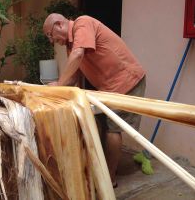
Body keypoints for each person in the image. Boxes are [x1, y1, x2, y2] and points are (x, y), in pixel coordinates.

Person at [43, 13, 146, 188]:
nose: (53, 41)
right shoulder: (71, 45)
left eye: (51, 36)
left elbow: (77, 55)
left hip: (127, 82)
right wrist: (57, 86)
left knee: (113, 129)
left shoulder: (82, 23)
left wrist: (59, 84)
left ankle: (109, 179)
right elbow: (73, 76)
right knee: (100, 125)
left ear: (59, 24)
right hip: (108, 89)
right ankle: (100, 168)